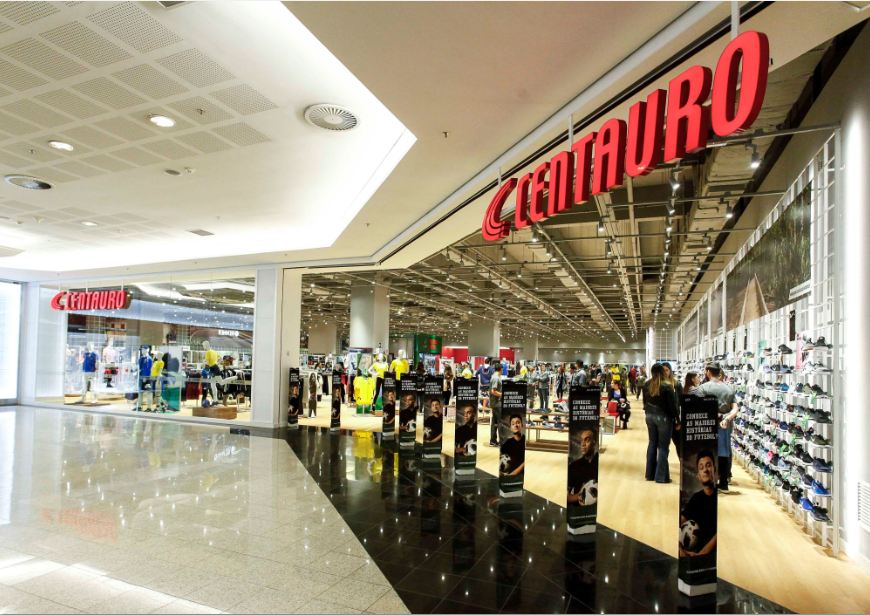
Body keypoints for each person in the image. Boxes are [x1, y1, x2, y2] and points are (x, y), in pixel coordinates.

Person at [693, 363, 738, 492]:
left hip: (708, 423)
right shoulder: (729, 389)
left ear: (708, 372)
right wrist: (726, 418)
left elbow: (698, 406)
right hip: (725, 424)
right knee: (724, 452)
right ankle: (724, 483)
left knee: (707, 452)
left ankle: (709, 481)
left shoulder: (703, 388)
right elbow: (735, 409)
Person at [642, 363, 678, 483]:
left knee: (652, 443)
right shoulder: (667, 386)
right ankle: (661, 476)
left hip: (649, 416)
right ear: (662, 372)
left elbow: (644, 402)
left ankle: (650, 474)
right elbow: (672, 406)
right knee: (663, 447)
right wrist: (677, 419)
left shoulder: (647, 384)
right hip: (663, 418)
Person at [679, 450, 717, 558]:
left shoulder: (720, 498)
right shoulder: (696, 499)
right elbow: (680, 521)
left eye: (708, 465)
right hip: (695, 554)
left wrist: (702, 553)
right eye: (701, 467)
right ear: (698, 476)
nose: (705, 470)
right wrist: (680, 549)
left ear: (714, 470)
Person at [567, 428, 598, 505]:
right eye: (582, 440)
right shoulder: (573, 466)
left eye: (587, 440)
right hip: (578, 509)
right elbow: (567, 496)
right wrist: (580, 496)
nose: (583, 444)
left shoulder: (599, 463)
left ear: (594, 442)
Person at [488, 365, 503, 446]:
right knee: (500, 422)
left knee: (495, 422)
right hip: (497, 403)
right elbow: (493, 391)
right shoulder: (496, 378)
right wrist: (502, 394)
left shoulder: (494, 376)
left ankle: (493, 440)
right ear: (501, 369)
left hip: (495, 403)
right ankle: (501, 441)